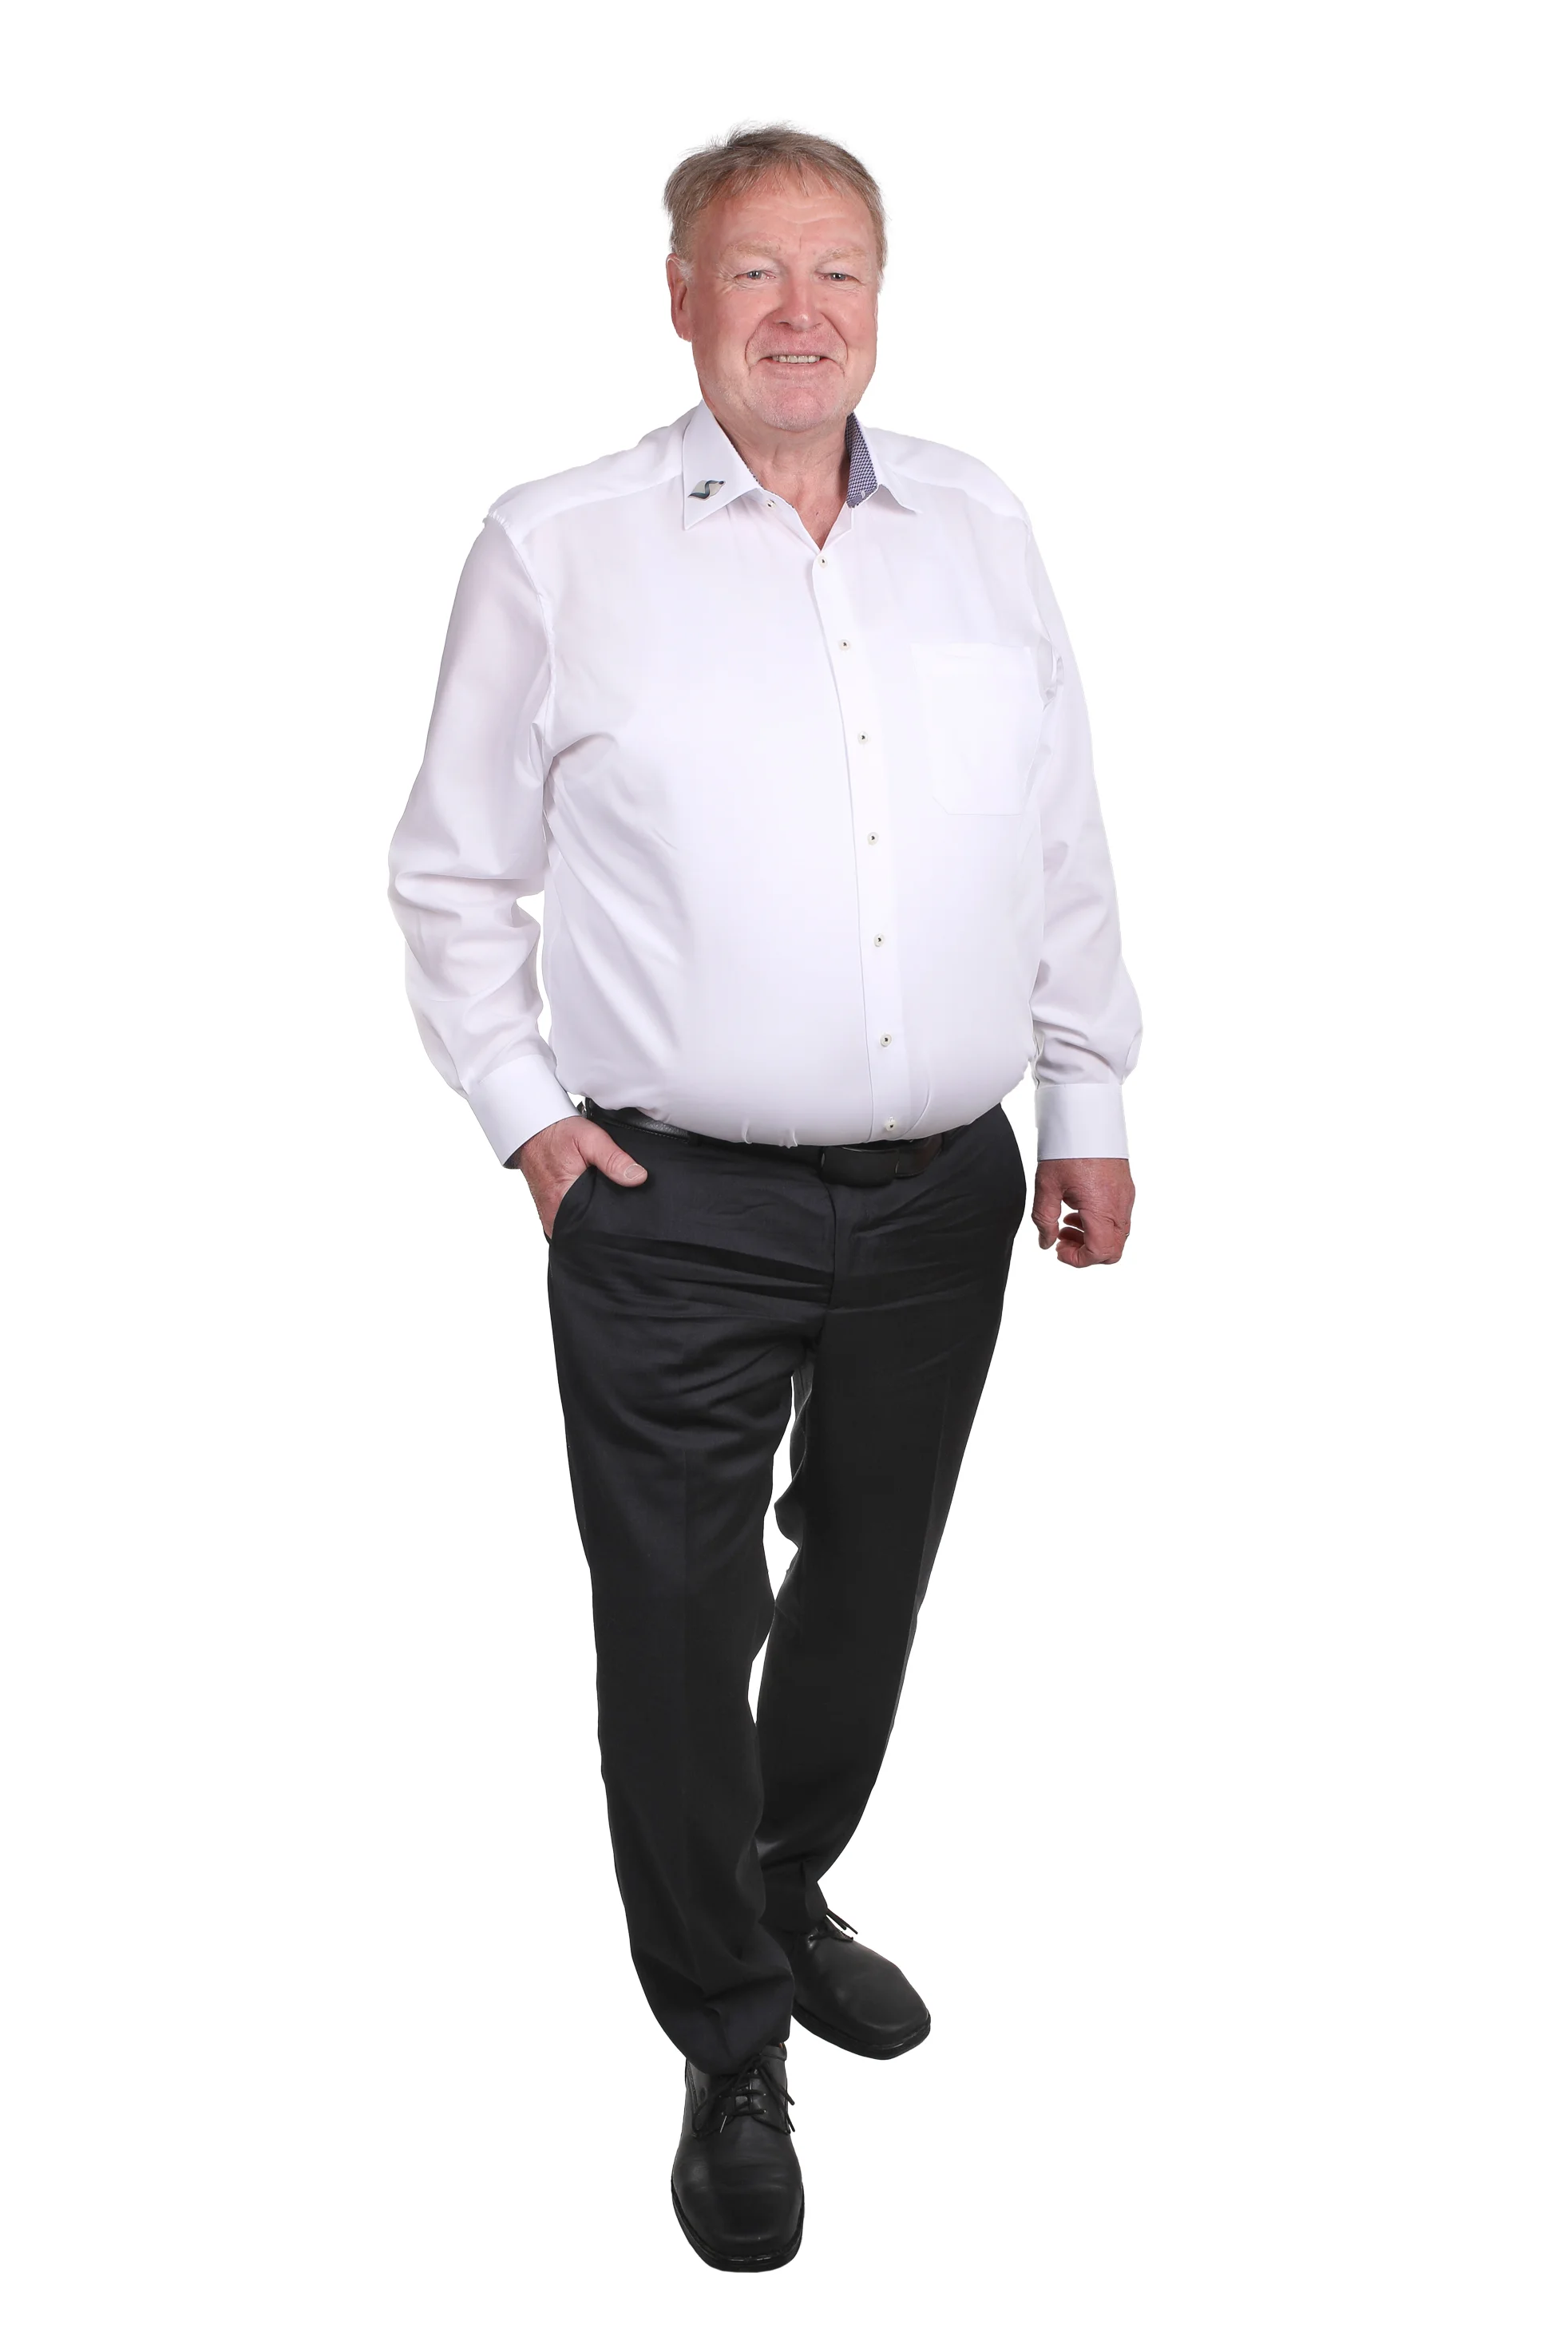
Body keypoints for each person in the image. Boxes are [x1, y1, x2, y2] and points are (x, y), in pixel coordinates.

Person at [388, 124, 1141, 2271]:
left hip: (942, 1200)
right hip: (669, 1203)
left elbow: (1058, 827)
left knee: (865, 1582)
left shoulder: (978, 524)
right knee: (679, 1617)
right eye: (752, 271)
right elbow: (452, 870)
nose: (798, 312)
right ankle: (725, 2038)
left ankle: (777, 1881)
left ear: (879, 300)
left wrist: (1085, 1092)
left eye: (837, 271)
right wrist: (527, 1116)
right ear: (680, 298)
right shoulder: (559, 546)